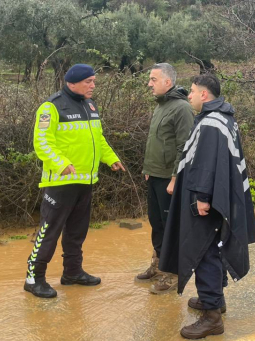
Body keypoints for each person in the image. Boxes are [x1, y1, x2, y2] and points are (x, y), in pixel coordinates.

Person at [159, 74, 255, 339]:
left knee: (203, 251)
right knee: (213, 247)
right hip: (218, 196)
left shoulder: (212, 122)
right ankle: (214, 299)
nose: (189, 96)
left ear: (204, 94)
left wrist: (202, 198)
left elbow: (206, 164)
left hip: (207, 198)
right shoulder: (222, 117)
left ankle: (212, 317)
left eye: (192, 91)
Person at [24, 64, 125, 298]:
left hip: (85, 181)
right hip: (60, 183)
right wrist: (60, 163)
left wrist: (111, 158)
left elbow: (98, 139)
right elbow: (42, 142)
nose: (93, 86)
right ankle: (34, 278)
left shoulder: (90, 105)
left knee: (76, 232)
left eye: (94, 81)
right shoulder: (51, 107)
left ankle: (72, 272)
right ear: (72, 83)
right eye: (88, 81)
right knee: (49, 231)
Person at [137, 63, 195, 293]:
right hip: (154, 175)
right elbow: (158, 141)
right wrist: (148, 169)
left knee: (171, 226)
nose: (149, 84)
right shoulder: (161, 105)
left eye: (153, 79)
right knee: (156, 222)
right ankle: (159, 264)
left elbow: (184, 147)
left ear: (167, 82)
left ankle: (173, 273)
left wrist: (175, 178)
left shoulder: (182, 108)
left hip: (169, 179)